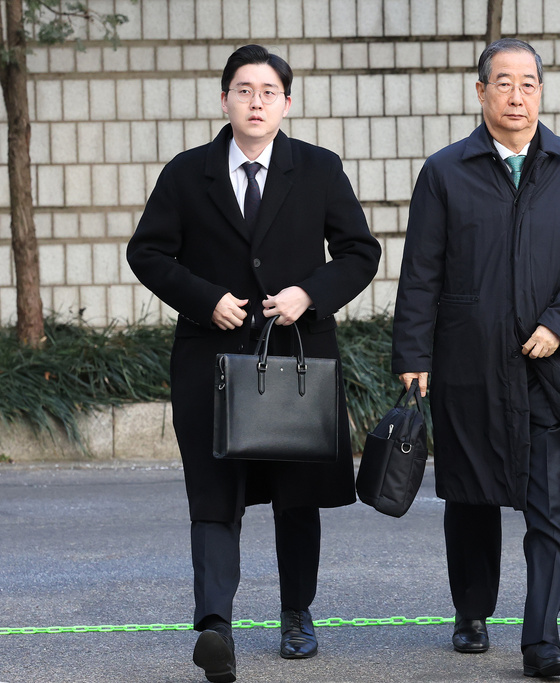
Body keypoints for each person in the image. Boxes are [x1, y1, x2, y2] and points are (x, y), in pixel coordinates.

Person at [126, 45, 380, 683]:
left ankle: (297, 613)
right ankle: (215, 626)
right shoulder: (188, 174)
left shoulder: (318, 169)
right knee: (215, 497)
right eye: (244, 90)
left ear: (286, 103)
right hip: (210, 362)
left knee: (297, 494)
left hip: (295, 360)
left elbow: (359, 252)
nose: (256, 101)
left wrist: (309, 295)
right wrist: (204, 299)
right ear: (224, 100)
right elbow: (148, 253)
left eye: (269, 91)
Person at [391, 38, 560, 678]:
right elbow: (421, 272)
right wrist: (413, 354)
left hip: (546, 369)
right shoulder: (446, 171)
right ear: (481, 93)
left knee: (550, 505)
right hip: (468, 364)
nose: (517, 95)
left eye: (528, 83)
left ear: (541, 92)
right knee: (470, 496)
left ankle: (541, 640)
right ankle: (471, 612)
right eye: (503, 83)